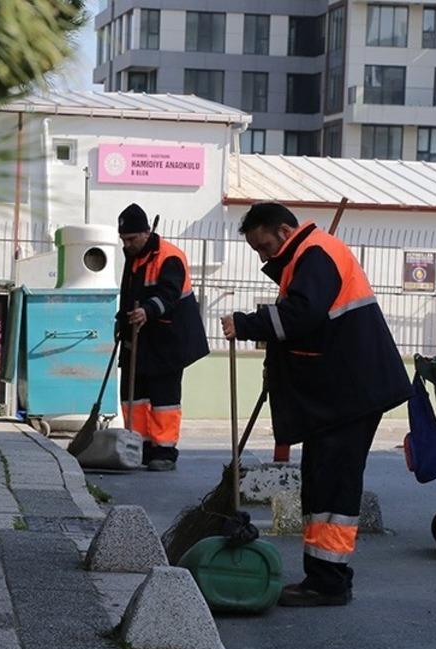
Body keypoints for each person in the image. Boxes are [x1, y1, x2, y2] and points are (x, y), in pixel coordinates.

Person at [222, 202, 411, 607]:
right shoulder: (308, 255)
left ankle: (328, 581)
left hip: (351, 394)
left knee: (333, 486)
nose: (263, 256)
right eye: (257, 250)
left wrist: (248, 323)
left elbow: (302, 315)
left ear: (286, 232)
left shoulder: (317, 254)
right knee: (322, 480)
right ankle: (323, 575)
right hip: (344, 392)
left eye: (265, 245)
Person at [116, 203, 209, 471]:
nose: (127, 244)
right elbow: (128, 295)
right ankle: (140, 445)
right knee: (135, 397)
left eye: (132, 239)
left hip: (169, 340)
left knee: (164, 398)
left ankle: (165, 451)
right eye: (123, 239)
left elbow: (169, 294)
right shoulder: (133, 257)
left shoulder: (169, 257)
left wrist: (147, 311)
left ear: (146, 233)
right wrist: (122, 323)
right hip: (139, 338)